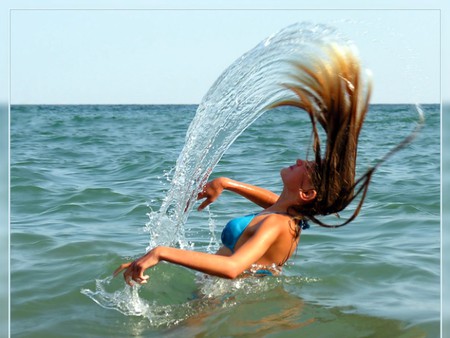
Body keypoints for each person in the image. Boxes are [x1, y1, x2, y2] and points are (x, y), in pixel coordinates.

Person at [114, 43, 422, 286]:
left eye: (308, 167)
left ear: (307, 194)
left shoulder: (277, 223)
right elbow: (273, 203)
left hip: (221, 302)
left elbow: (233, 268)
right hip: (228, 300)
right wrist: (228, 183)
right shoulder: (288, 215)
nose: (301, 160)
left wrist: (162, 253)